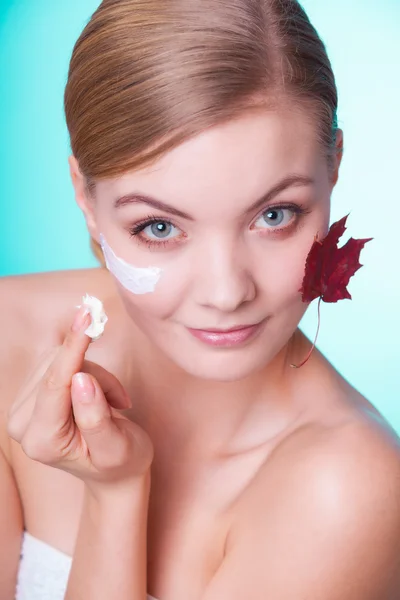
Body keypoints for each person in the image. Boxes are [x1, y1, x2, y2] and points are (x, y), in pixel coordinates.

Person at [1, 0, 400, 598]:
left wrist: (114, 496)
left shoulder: (347, 484)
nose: (225, 292)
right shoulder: (7, 335)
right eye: (159, 227)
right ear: (84, 196)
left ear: (334, 167)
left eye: (274, 215)